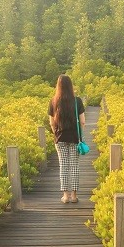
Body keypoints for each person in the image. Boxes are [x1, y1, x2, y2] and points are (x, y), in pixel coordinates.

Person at [47, 74, 85, 204]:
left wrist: (55, 133)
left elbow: (51, 122)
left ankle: (65, 196)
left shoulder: (53, 101)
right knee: (74, 165)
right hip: (75, 137)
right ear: (71, 86)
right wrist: (80, 134)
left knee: (63, 165)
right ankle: (74, 196)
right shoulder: (77, 101)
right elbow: (83, 121)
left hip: (60, 137)